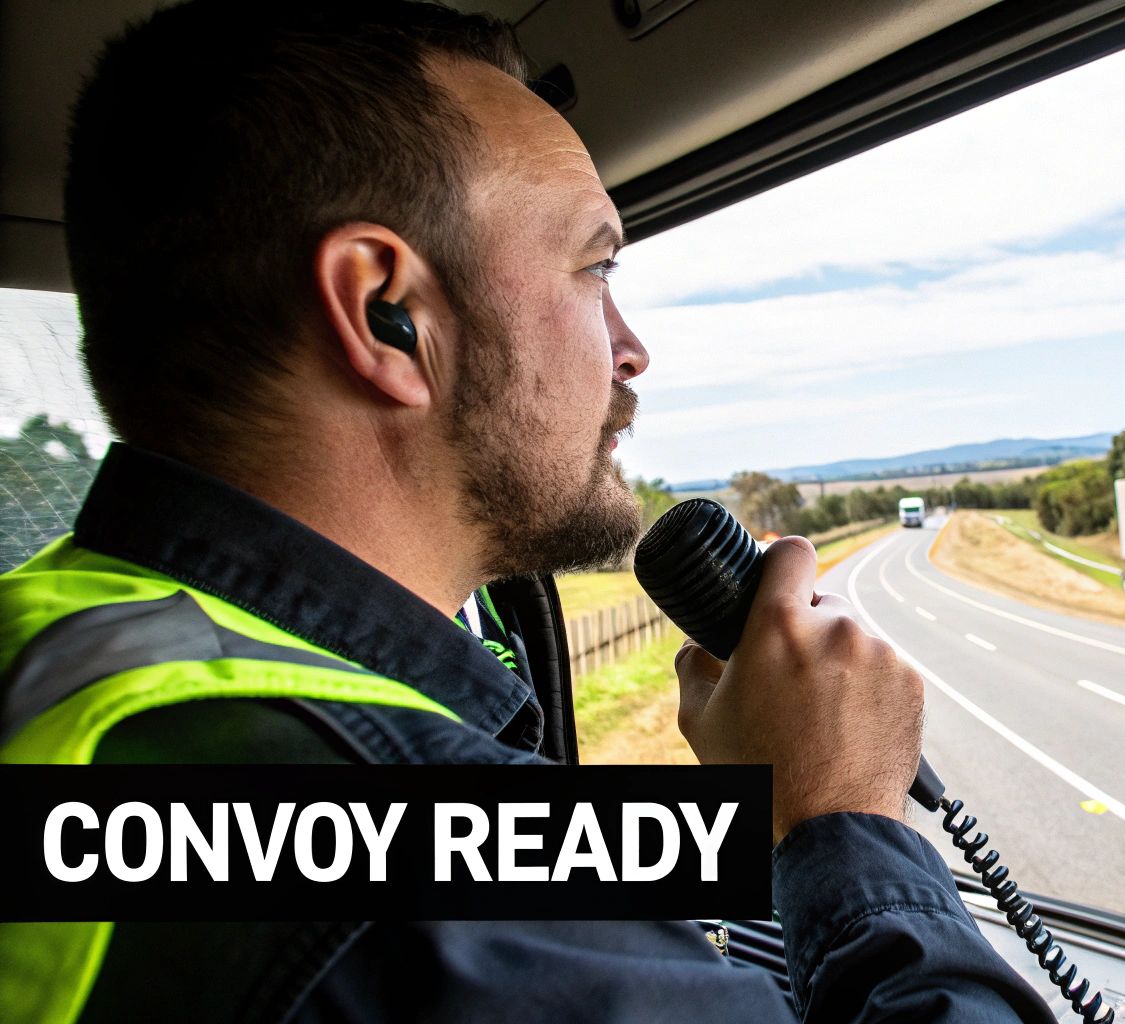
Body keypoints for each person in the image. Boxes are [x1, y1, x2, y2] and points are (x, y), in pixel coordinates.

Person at [0, 2, 1053, 1022]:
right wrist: (840, 820)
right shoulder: (437, 905)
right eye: (594, 267)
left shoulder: (63, 640)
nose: (631, 348)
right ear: (387, 313)